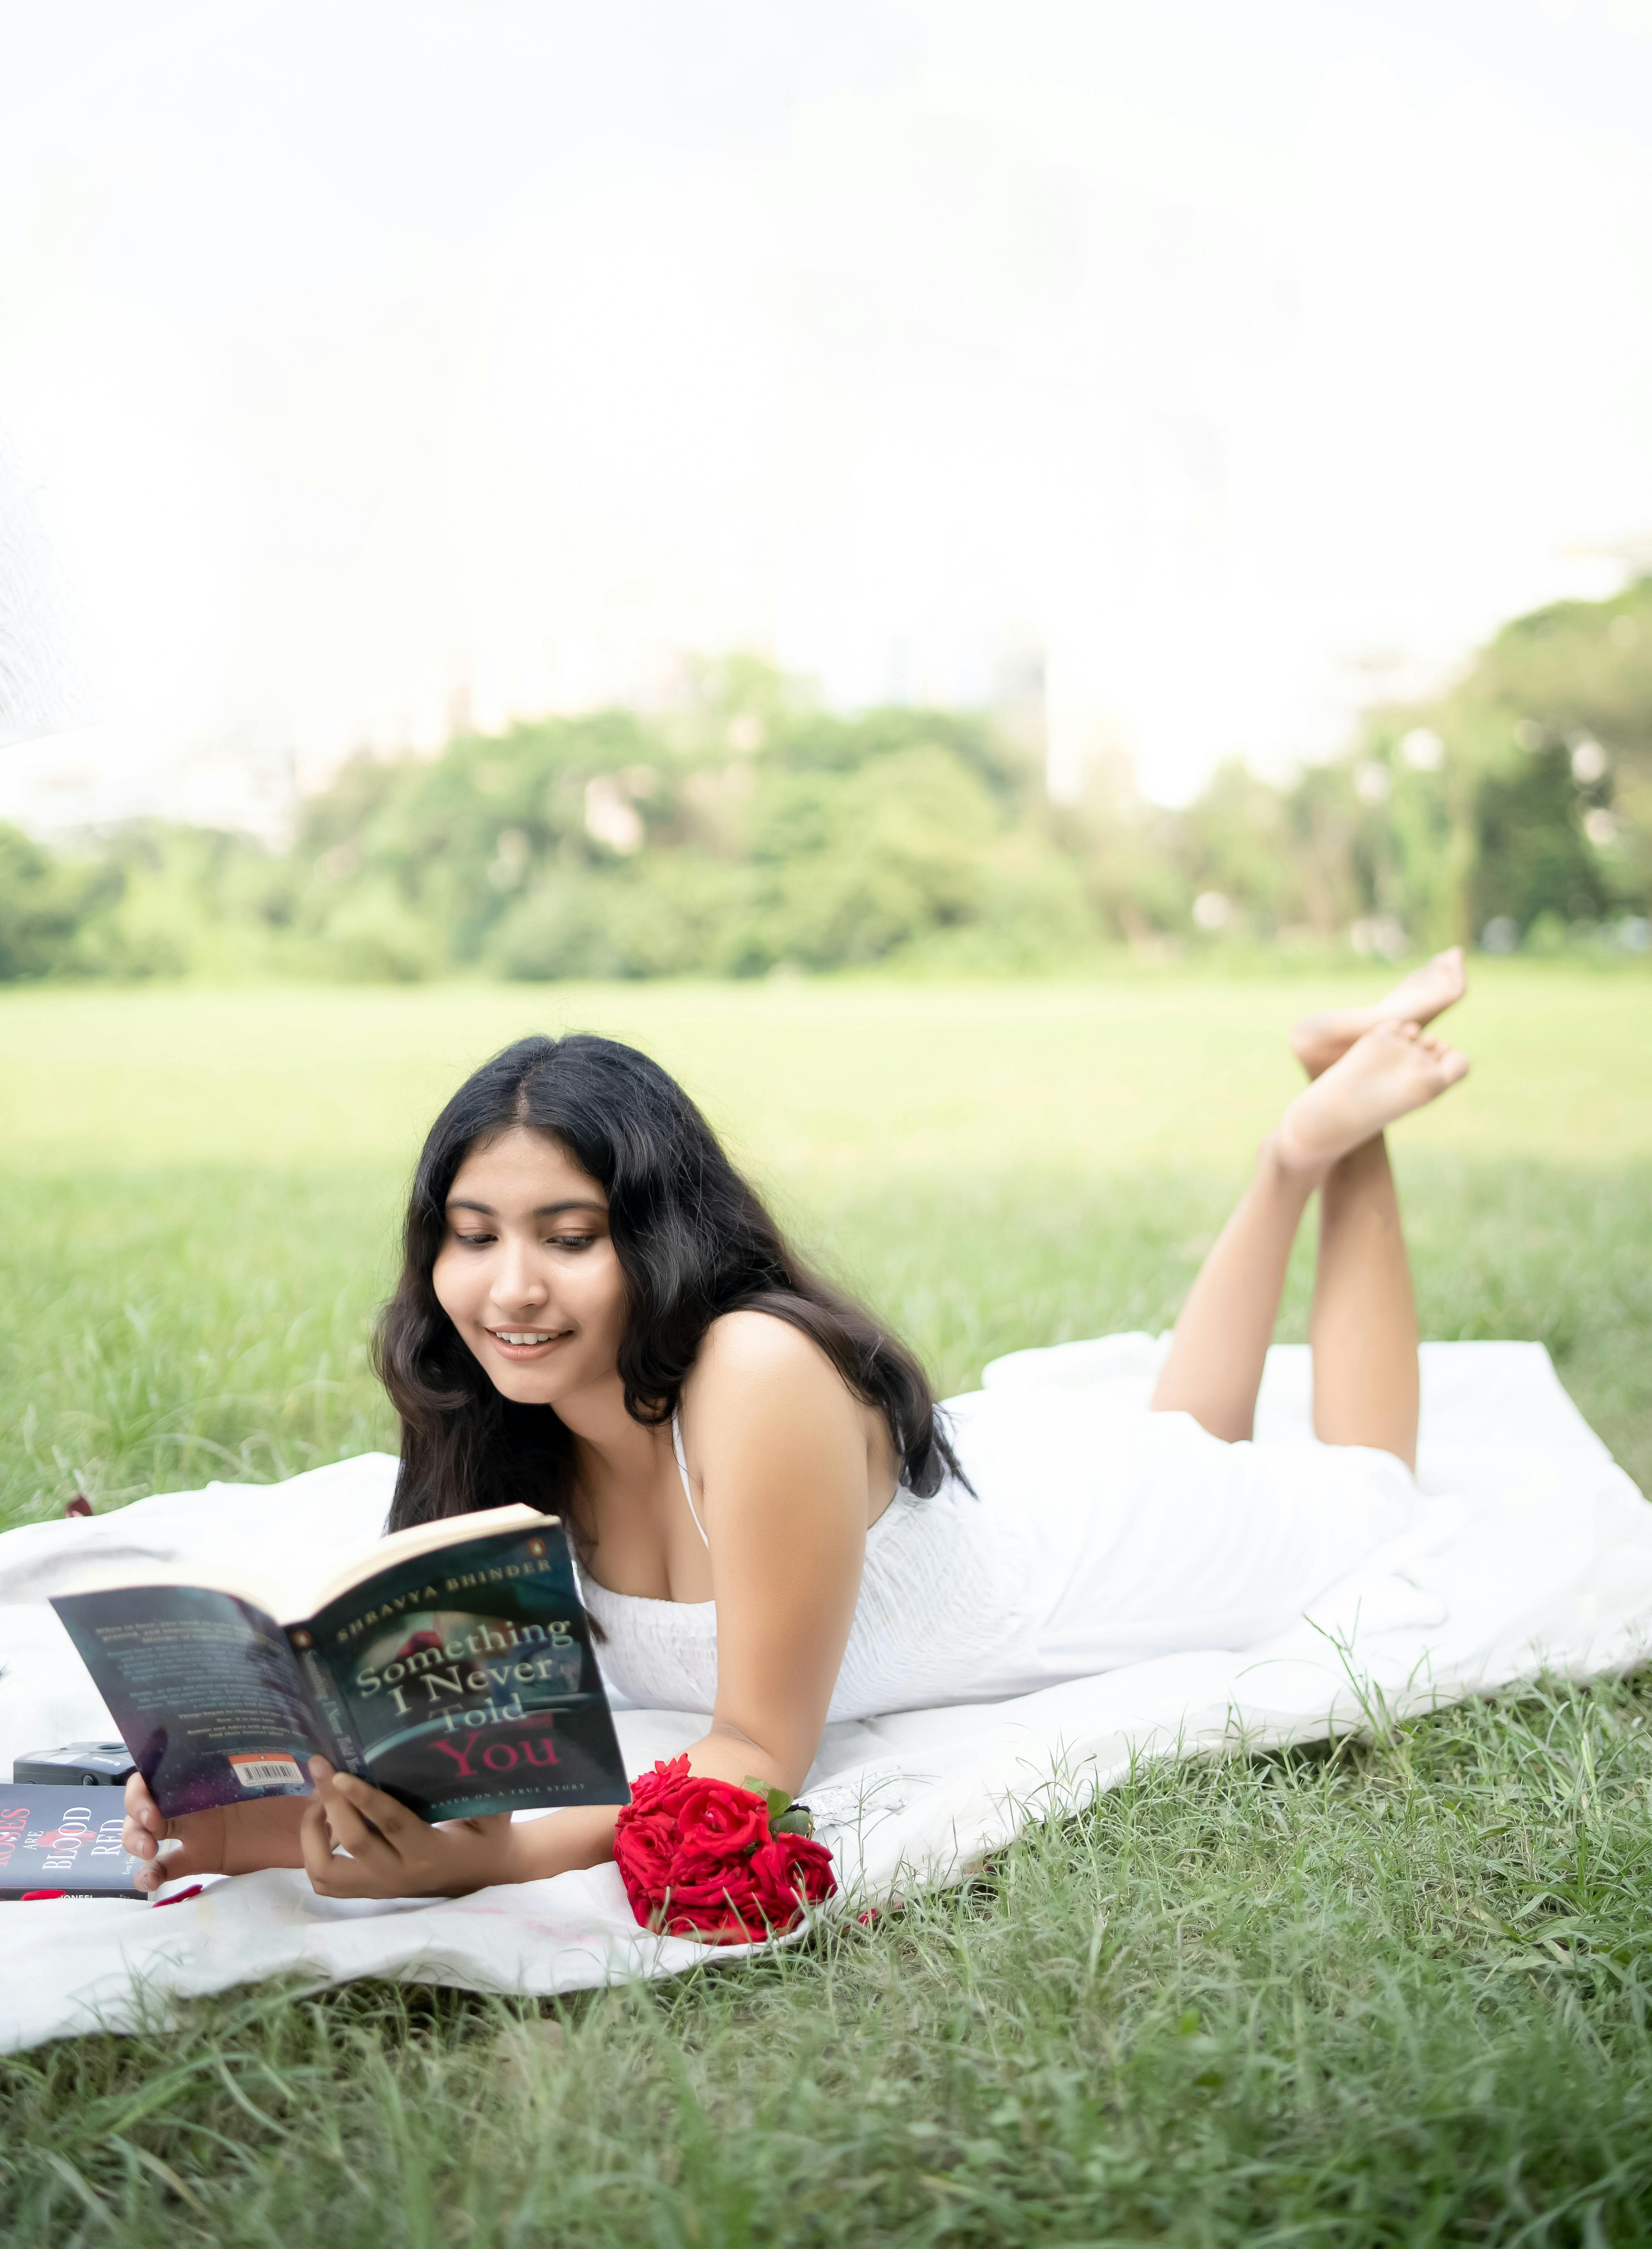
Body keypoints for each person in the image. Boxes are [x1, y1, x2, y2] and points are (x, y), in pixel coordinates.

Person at [122, 949, 1470, 1900]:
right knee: (1178, 1432)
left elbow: (760, 1753)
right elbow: (456, 1740)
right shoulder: (494, 1423)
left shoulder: (754, 1373)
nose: (508, 1289)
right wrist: (231, 1811)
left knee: (1361, 1493)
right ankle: (1299, 1136)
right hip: (1020, 1488)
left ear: (655, 1237)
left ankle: (1329, 1141)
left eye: (568, 1236)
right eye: (471, 1239)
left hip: (1094, 1563)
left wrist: (496, 1860)